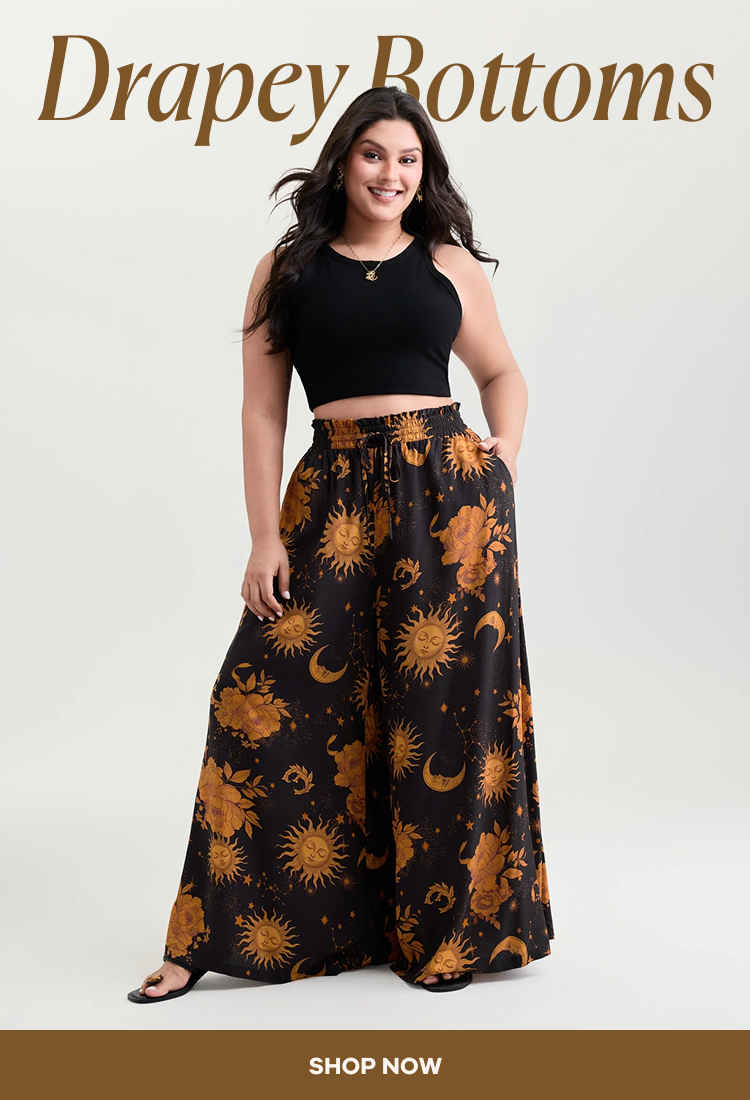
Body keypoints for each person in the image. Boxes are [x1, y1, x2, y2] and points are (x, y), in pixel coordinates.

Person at [128, 85, 554, 1004]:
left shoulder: (448, 265)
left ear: (424, 172)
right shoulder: (286, 268)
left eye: (409, 160)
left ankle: (445, 934)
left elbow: (502, 371)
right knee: (257, 700)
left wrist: (504, 452)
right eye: (374, 155)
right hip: (333, 493)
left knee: (441, 714)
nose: (391, 174)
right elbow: (260, 409)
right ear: (341, 162)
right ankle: (208, 936)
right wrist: (261, 538)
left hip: (451, 498)